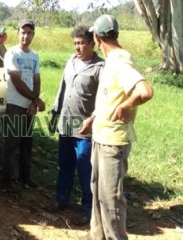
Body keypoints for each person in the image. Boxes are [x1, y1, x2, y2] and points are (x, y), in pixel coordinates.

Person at [80, 15, 154, 240]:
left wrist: (125, 105)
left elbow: (145, 91)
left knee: (111, 200)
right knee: (98, 193)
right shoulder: (112, 61)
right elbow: (109, 97)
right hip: (101, 137)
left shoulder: (121, 61)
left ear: (96, 38)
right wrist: (94, 118)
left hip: (113, 142)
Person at [44, 26, 104, 226]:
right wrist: (54, 112)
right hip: (66, 123)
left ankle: (87, 209)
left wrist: (94, 118)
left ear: (92, 43)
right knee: (65, 165)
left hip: (85, 128)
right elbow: (62, 88)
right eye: (75, 43)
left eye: (81, 43)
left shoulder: (99, 67)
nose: (77, 47)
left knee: (85, 169)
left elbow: (105, 100)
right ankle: (62, 199)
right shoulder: (71, 61)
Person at [1, 20, 46, 192]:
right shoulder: (11, 54)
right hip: (15, 104)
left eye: (29, 33)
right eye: (23, 32)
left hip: (29, 106)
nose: (26, 36)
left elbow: (37, 80)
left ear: (33, 35)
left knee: (27, 143)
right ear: (18, 33)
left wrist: (34, 101)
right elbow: (17, 81)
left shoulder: (34, 56)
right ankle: (7, 180)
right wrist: (36, 99)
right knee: (12, 144)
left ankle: (25, 177)